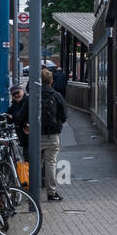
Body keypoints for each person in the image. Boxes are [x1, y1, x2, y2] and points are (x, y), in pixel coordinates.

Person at [40, 67, 67, 201]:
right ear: (51, 81)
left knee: (35, 164)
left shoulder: (33, 96)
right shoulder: (56, 95)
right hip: (52, 135)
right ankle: (51, 193)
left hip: (35, 136)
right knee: (50, 163)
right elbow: (64, 116)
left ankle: (32, 193)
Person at [8, 84, 29, 159]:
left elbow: (19, 116)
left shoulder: (27, 101)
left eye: (18, 92)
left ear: (23, 91)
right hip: (23, 136)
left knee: (28, 157)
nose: (16, 95)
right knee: (26, 157)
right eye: (14, 94)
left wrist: (12, 116)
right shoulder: (15, 104)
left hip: (28, 135)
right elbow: (9, 118)